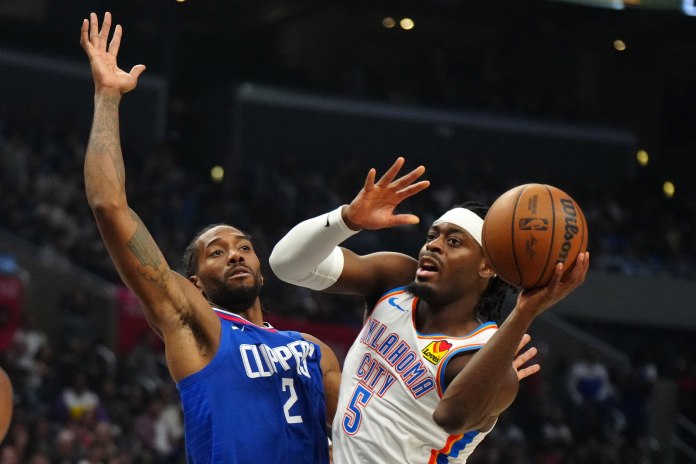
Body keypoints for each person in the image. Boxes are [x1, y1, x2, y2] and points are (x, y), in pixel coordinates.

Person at [80, 12, 340, 464]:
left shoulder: (316, 352)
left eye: (244, 247)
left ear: (260, 265)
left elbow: (355, 445)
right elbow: (109, 206)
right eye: (215, 253)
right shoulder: (196, 325)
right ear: (195, 280)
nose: (235, 255)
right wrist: (107, 97)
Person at [270, 157, 589, 463]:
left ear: (487, 267)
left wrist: (524, 312)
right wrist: (346, 220)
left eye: (454, 242)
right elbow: (286, 265)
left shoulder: (482, 357)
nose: (433, 245)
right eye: (432, 236)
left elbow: (452, 416)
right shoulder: (395, 280)